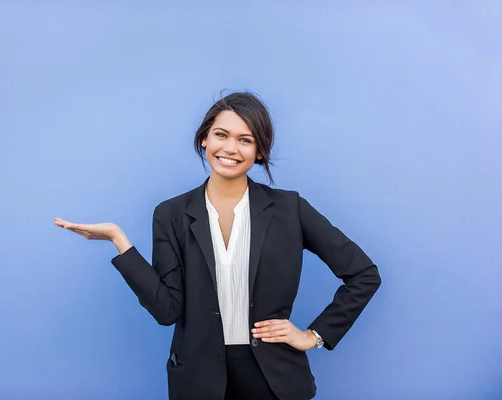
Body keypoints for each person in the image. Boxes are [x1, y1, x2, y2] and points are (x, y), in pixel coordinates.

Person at [54, 92, 381, 400]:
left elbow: (364, 275)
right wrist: (118, 240)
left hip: (274, 379)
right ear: (204, 139)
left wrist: (313, 336)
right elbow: (167, 311)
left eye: (245, 140)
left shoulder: (289, 209)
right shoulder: (171, 214)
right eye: (221, 135)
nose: (231, 148)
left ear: (259, 151)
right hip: (198, 378)